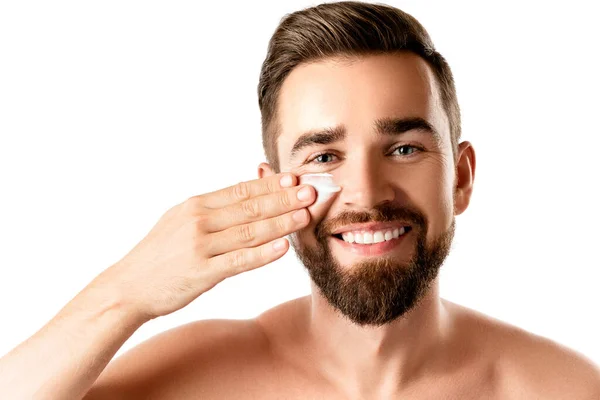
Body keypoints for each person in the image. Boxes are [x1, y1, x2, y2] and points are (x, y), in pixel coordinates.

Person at [1, 1, 599, 399]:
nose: (366, 193)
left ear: (462, 177)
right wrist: (124, 293)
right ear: (272, 188)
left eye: (405, 149)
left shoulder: (559, 387)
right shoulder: (201, 379)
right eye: (323, 156)